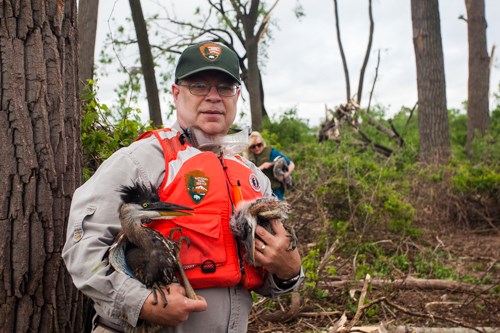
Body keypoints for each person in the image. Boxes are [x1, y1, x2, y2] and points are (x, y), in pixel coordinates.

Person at [62, 41, 303, 333]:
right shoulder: (141, 160)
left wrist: (289, 270)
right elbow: (81, 247)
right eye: (199, 86)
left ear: (236, 96)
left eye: (225, 88)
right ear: (177, 94)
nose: (214, 97)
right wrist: (143, 302)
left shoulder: (253, 178)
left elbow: (267, 277)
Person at [246, 131, 295, 200]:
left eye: (259, 145)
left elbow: (291, 164)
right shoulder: (249, 158)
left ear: (263, 143)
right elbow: (248, 174)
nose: (257, 148)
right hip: (259, 193)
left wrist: (284, 176)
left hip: (275, 191)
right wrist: (262, 167)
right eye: (253, 146)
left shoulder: (272, 153)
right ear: (249, 148)